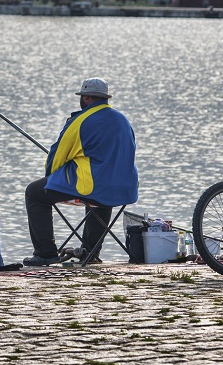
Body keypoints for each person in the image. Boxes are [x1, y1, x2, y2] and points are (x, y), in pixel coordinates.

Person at [23, 77, 138, 266]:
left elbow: (58, 155)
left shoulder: (81, 120)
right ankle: (90, 252)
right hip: (124, 188)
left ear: (85, 98)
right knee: (101, 197)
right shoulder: (123, 120)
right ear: (105, 98)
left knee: (34, 193)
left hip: (92, 186)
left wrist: (51, 177)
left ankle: (45, 254)